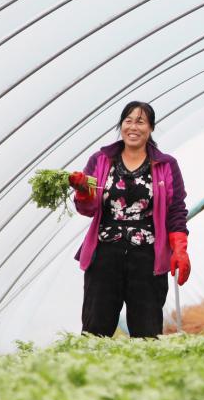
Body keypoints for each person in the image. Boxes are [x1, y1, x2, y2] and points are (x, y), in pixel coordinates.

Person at [69, 101, 190, 338]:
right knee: (95, 329)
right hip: (105, 254)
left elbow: (176, 209)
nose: (133, 127)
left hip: (147, 257)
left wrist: (179, 249)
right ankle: (88, 373)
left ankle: (144, 375)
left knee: (147, 331)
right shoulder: (101, 160)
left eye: (141, 121)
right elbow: (89, 208)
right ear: (121, 125)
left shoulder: (165, 165)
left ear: (151, 128)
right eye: (128, 120)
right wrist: (83, 191)